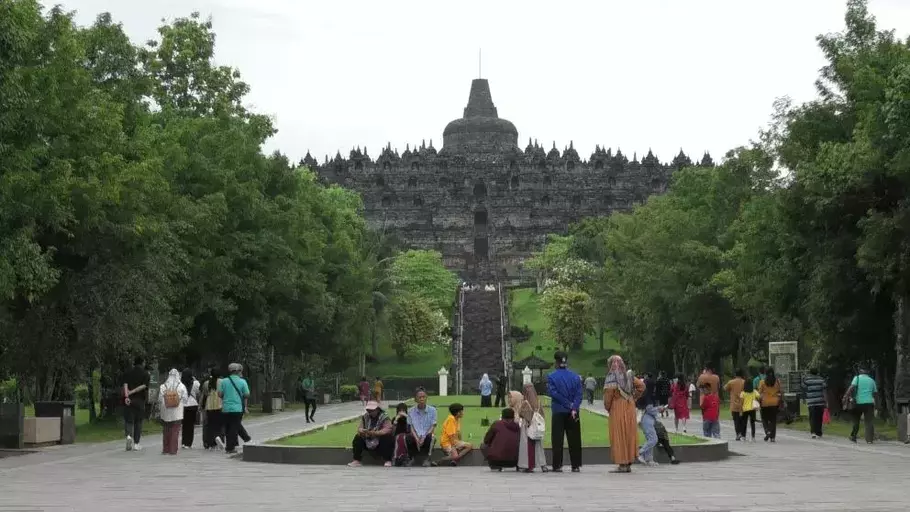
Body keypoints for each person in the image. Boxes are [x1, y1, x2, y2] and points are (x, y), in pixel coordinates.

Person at [603, 355, 644, 473]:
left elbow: (607, 398)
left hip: (618, 407)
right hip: (630, 406)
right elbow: (642, 386)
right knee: (629, 434)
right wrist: (633, 398)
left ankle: (622, 464)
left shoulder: (611, 377)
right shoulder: (629, 375)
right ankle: (629, 463)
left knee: (619, 434)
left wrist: (608, 407)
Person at [547, 350, 583, 473]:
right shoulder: (575, 377)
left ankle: (557, 465)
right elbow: (579, 394)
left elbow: (553, 393)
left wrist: (567, 404)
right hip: (573, 411)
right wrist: (573, 407)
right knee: (574, 438)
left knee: (557, 438)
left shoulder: (552, 376)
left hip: (558, 410)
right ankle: (576, 464)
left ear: (556, 362)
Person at [512, 384, 549, 473]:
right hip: (537, 427)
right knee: (538, 446)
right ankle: (543, 465)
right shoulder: (538, 402)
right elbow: (542, 415)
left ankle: (528, 465)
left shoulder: (525, 402)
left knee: (527, 446)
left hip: (527, 426)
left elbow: (522, 414)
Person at [348, 401, 394, 467]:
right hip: (368, 438)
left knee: (387, 438)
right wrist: (362, 431)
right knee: (358, 438)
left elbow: (387, 429)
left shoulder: (384, 417)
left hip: (379, 439)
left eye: (372, 410)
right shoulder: (365, 416)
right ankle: (356, 460)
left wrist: (375, 433)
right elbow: (360, 428)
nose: (370, 412)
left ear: (377, 409)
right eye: (368, 410)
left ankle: (387, 460)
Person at [217, 362, 250, 454]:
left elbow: (219, 394)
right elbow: (247, 394)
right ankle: (230, 447)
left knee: (229, 427)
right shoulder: (242, 381)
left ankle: (236, 443)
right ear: (238, 371)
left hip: (226, 408)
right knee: (234, 427)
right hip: (237, 408)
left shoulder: (224, 381)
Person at [122, 356, 151, 452]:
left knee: (129, 420)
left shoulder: (127, 372)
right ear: (142, 362)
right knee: (138, 422)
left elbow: (125, 385)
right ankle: (136, 443)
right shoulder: (145, 374)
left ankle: (128, 436)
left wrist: (127, 396)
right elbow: (143, 386)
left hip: (129, 400)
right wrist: (133, 392)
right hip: (139, 400)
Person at [158, 369, 188, 455]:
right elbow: (185, 399)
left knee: (166, 430)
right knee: (175, 430)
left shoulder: (163, 386)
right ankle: (173, 449)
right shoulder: (181, 386)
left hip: (165, 411)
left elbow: (160, 399)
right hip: (177, 411)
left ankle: (165, 449)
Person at [846, 368, 878, 444]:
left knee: (856, 420)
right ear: (868, 373)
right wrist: (876, 404)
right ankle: (869, 440)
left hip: (858, 403)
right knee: (869, 421)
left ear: (860, 372)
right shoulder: (871, 380)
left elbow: (851, 388)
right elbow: (875, 393)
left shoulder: (857, 378)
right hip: (869, 403)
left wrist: (847, 396)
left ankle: (853, 436)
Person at [407, 388, 437, 467]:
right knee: (408, 437)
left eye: (424, 397)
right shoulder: (410, 411)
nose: (422, 399)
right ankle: (413, 458)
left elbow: (433, 425)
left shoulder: (433, 410)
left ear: (426, 398)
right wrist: (417, 438)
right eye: (419, 397)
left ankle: (427, 459)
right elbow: (411, 427)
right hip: (416, 434)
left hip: (427, 434)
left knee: (431, 437)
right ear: (415, 399)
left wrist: (424, 437)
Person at [637, 377, 660, 466]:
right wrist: (659, 409)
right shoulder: (647, 395)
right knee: (654, 439)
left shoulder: (643, 394)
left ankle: (649, 459)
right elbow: (649, 409)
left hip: (645, 419)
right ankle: (640, 453)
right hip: (647, 419)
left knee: (649, 439)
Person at [757, 367, 781, 442]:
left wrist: (758, 400)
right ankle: (772, 437)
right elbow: (780, 391)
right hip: (775, 402)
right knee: (773, 419)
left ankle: (767, 431)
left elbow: (759, 392)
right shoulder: (777, 381)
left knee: (764, 419)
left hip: (765, 403)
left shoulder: (762, 382)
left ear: (765, 373)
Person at [802, 368, 827, 439]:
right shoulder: (821, 379)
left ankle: (813, 432)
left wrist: (804, 398)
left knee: (812, 417)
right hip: (820, 401)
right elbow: (824, 390)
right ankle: (819, 432)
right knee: (819, 417)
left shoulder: (806, 379)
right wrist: (826, 401)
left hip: (811, 401)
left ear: (810, 372)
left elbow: (804, 389)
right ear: (817, 372)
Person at [200, 368, 223, 449]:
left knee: (210, 425)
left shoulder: (206, 383)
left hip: (209, 406)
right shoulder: (222, 382)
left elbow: (205, 394)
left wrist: (200, 406)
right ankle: (220, 439)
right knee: (220, 425)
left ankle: (210, 443)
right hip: (220, 405)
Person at [180, 368, 200, 449]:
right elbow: (198, 392)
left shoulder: (181, 384)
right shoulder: (195, 383)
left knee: (184, 424)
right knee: (190, 425)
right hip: (193, 405)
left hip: (183, 405)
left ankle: (183, 442)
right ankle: (189, 443)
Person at [724, 369, 746, 441]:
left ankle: (738, 433)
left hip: (734, 404)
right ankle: (743, 434)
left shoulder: (731, 382)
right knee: (742, 420)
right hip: (743, 404)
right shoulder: (744, 382)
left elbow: (725, 388)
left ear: (735, 374)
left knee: (736, 420)